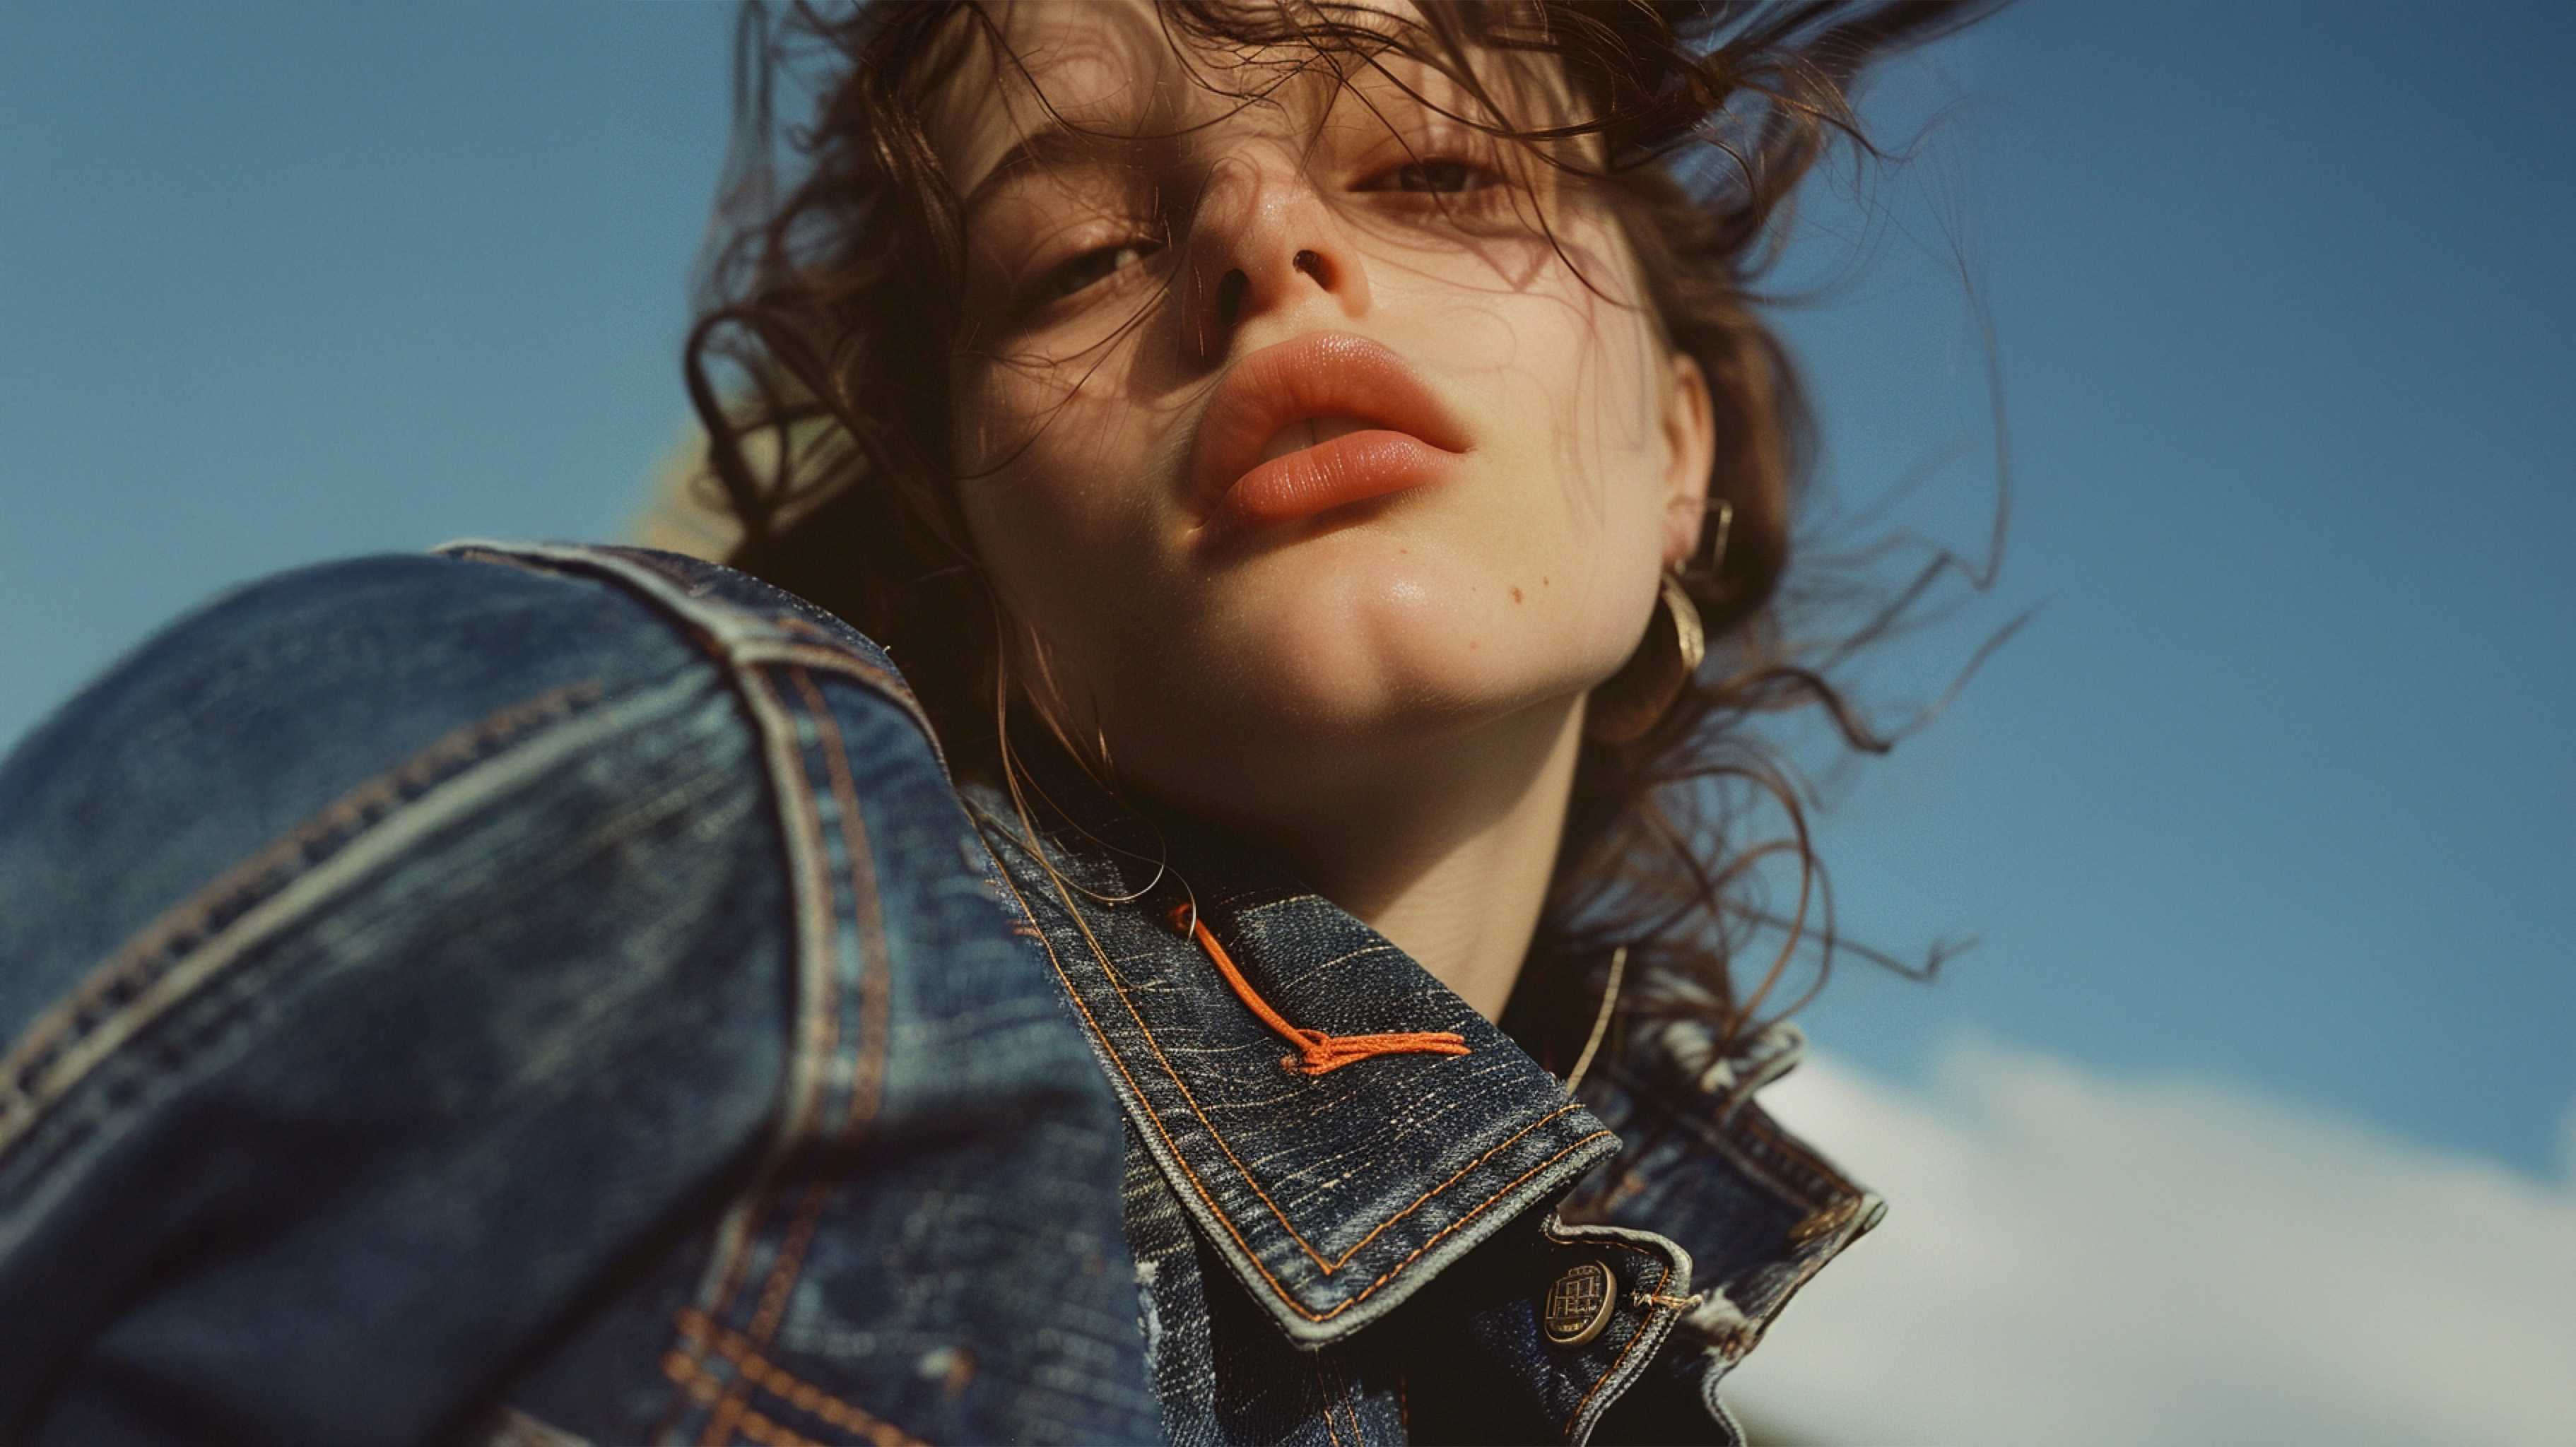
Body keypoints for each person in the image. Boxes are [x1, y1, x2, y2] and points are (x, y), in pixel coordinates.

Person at [0, 1, 1999, 1442]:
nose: (1260, 238)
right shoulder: (684, 829)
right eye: (1078, 258)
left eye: (1433, 167)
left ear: (1680, 450)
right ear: (961, 533)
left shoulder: (1621, 1353)